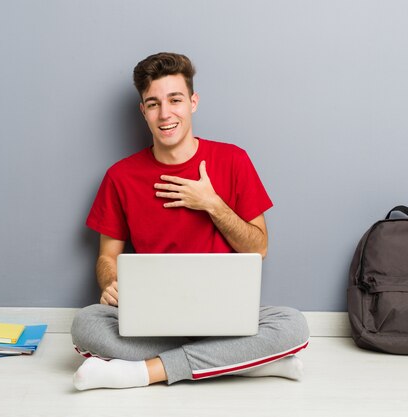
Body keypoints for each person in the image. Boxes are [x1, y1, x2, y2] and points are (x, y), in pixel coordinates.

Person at [71, 52, 309, 390]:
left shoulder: (233, 160)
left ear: (193, 102)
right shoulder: (120, 177)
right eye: (153, 104)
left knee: (293, 324)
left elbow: (259, 248)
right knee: (86, 323)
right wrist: (110, 283)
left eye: (175, 100)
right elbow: (106, 258)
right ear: (143, 110)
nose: (165, 114)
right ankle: (242, 362)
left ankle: (142, 373)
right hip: (152, 320)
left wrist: (212, 204)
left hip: (224, 318)